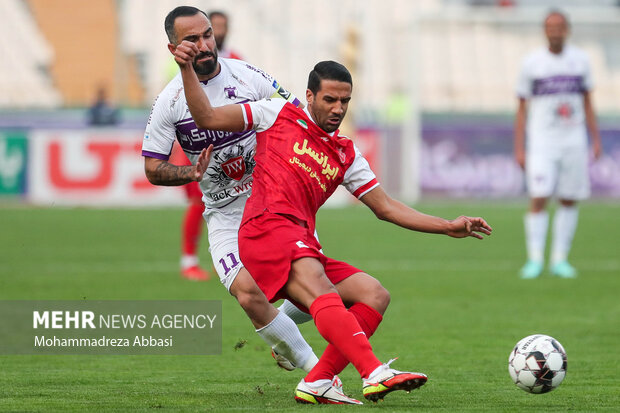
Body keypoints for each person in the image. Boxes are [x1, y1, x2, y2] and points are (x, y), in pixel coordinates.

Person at [174, 38, 492, 403]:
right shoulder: (276, 113)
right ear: (308, 97)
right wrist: (187, 69)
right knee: (320, 289)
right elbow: (208, 117)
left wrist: (448, 226)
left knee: (374, 295)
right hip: (264, 228)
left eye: (345, 101)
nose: (338, 108)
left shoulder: (347, 154)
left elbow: (386, 207)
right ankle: (374, 372)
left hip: (299, 238)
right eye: (330, 100)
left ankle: (318, 380)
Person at [142, 6, 319, 375]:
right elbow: (152, 168)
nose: (205, 44)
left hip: (275, 204)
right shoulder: (168, 102)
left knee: (312, 293)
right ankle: (319, 375)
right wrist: (190, 172)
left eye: (207, 34)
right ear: (174, 47)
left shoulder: (247, 75)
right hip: (224, 212)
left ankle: (283, 341)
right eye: (192, 39)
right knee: (248, 292)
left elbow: (298, 117)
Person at [514, 10, 602, 279]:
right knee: (539, 197)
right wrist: (519, 146)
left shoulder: (581, 60)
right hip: (542, 142)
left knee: (568, 198)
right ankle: (535, 259)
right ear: (544, 30)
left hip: (573, 140)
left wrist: (594, 138)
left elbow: (587, 101)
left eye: (559, 26)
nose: (555, 31)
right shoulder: (532, 63)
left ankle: (560, 259)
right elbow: (521, 107)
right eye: (550, 26)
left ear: (567, 29)